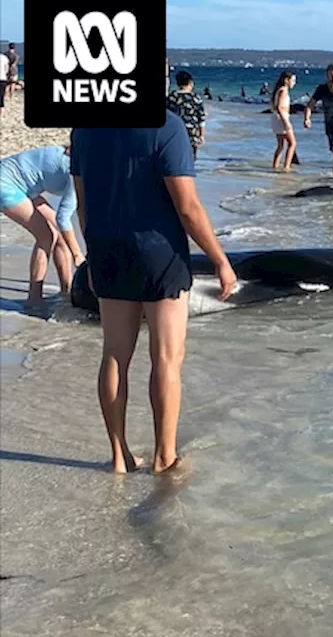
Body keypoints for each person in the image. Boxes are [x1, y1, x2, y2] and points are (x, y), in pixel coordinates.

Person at [70, 62, 237, 475]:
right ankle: (165, 457)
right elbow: (188, 207)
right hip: (158, 252)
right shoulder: (168, 126)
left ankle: (119, 455)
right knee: (166, 358)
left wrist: (92, 253)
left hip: (107, 247)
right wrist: (220, 259)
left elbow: (84, 201)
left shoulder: (85, 128)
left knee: (114, 354)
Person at [0, 144, 84, 305]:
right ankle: (34, 300)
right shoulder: (78, 170)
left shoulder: (78, 159)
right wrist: (77, 254)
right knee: (47, 235)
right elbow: (63, 217)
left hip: (26, 186)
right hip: (6, 184)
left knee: (60, 235)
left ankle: (66, 292)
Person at [166, 69, 207, 161]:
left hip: (174, 132)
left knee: (175, 157)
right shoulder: (196, 98)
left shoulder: (172, 97)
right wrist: (202, 135)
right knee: (190, 158)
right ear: (190, 83)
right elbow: (202, 119)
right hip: (192, 133)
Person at [270, 70, 298, 172]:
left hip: (277, 118)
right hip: (282, 117)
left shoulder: (279, 90)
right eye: (293, 80)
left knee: (281, 145)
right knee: (292, 143)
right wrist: (286, 122)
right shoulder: (284, 90)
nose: (294, 83)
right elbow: (280, 107)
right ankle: (286, 166)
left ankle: (275, 165)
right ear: (287, 80)